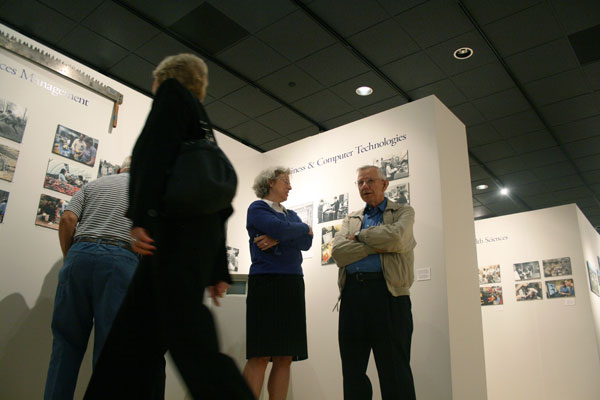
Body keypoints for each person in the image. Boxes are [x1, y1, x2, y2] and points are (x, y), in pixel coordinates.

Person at [83, 54, 253, 400]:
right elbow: (215, 202)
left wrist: (143, 217)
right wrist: (217, 266)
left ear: (164, 77)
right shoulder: (202, 124)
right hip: (192, 237)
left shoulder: (172, 94)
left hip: (173, 234)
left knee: (190, 337)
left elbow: (150, 152)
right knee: (132, 340)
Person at [43, 157, 138, 400]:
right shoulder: (144, 190)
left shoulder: (94, 185)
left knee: (65, 344)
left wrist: (70, 258)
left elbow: (67, 219)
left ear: (119, 169)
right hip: (121, 259)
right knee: (109, 351)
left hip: (80, 254)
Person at [332, 165, 417, 400]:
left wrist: (359, 237)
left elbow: (398, 238)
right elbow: (338, 252)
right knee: (352, 372)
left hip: (389, 296)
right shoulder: (352, 217)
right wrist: (379, 245)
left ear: (384, 184)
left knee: (395, 372)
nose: (364, 186)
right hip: (352, 296)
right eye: (360, 182)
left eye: (370, 181)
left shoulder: (403, 212)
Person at [243, 167, 313, 400]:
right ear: (271, 182)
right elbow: (294, 232)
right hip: (266, 283)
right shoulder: (257, 208)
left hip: (292, 283)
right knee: (260, 354)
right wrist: (303, 228)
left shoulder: (290, 213)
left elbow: (307, 244)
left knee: (285, 356)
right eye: (285, 181)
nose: (289, 186)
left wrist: (279, 237)